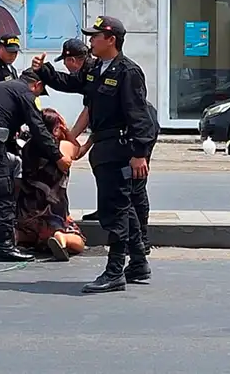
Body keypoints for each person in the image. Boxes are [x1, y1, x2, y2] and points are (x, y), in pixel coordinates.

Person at [32, 16, 157, 293]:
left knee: (115, 211)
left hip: (121, 148)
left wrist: (140, 153)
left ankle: (114, 271)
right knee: (124, 209)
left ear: (111, 40)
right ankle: (137, 263)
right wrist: (44, 72)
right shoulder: (97, 69)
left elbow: (139, 116)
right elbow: (71, 83)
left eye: (95, 36)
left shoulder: (128, 71)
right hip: (105, 148)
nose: (91, 41)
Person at [0, 69, 72, 262]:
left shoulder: (4, 88)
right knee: (4, 194)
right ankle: (5, 247)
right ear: (37, 85)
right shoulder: (26, 93)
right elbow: (39, 128)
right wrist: (57, 156)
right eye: (39, 92)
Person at [15, 107, 87, 261]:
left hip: (27, 211)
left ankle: (17, 237)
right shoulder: (63, 147)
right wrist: (90, 138)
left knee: (27, 233)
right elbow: (78, 150)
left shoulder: (28, 147)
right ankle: (61, 237)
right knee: (79, 242)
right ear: (56, 128)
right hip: (53, 213)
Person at [55, 38, 101, 221]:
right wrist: (74, 138)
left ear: (72, 60)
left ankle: (114, 215)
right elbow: (89, 109)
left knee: (110, 168)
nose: (66, 68)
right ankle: (106, 209)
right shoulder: (91, 70)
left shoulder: (93, 72)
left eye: (65, 62)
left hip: (134, 127)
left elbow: (88, 112)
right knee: (100, 162)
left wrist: (70, 138)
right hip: (107, 129)